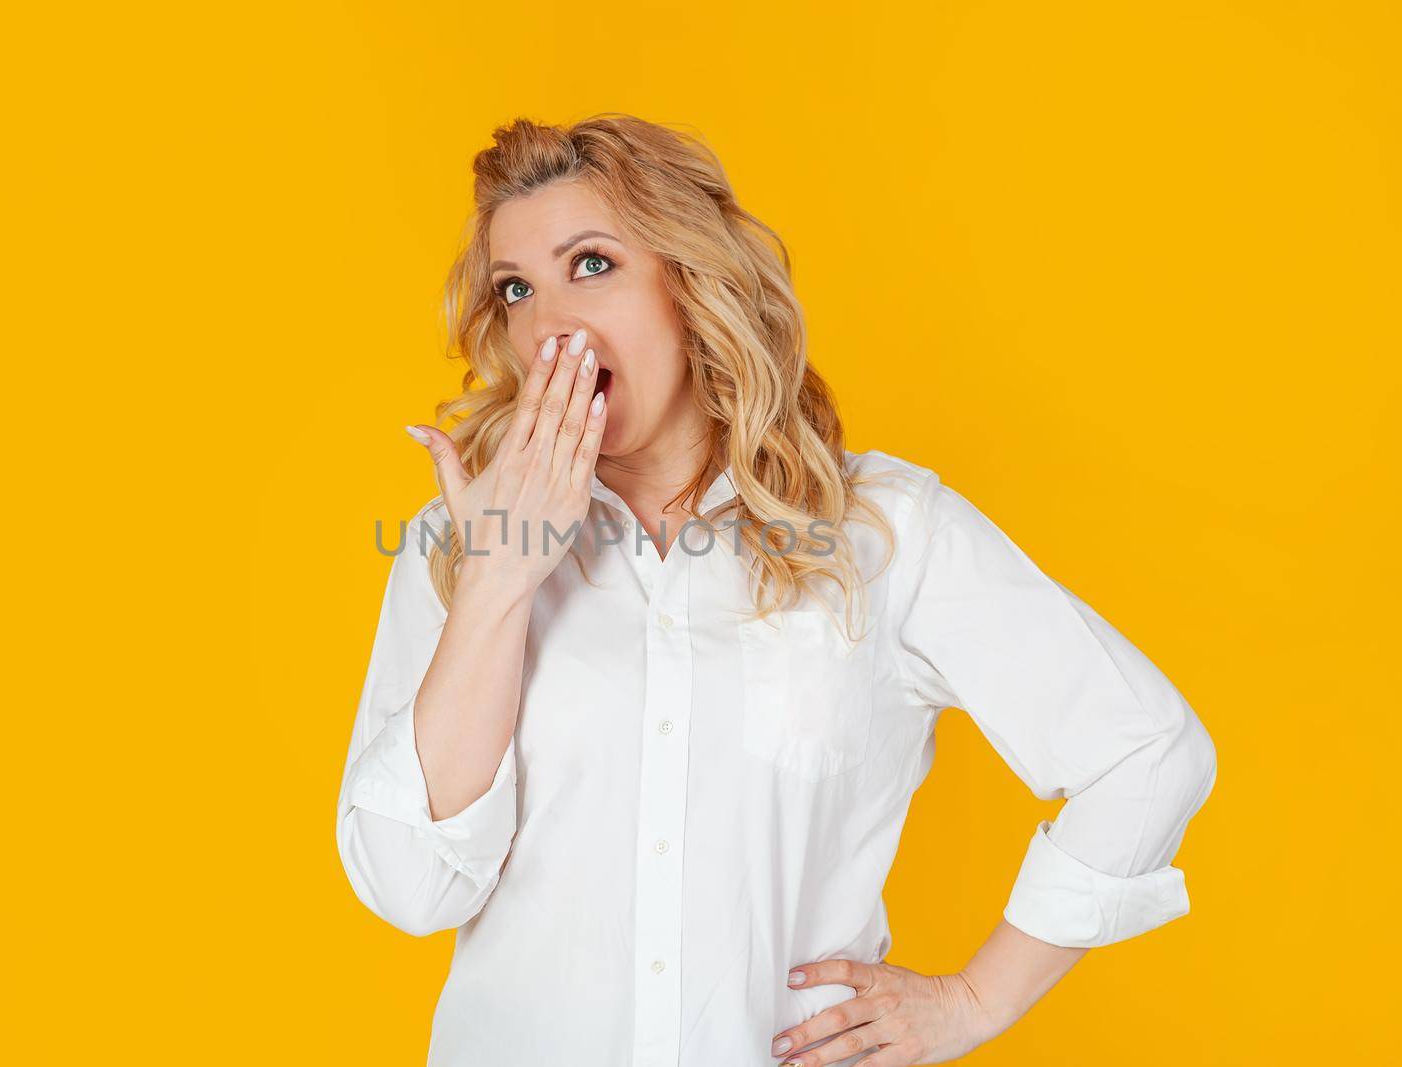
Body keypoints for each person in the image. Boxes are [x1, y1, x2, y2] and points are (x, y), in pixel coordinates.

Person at [335, 113, 1218, 1067]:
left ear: (690, 282)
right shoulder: (463, 539)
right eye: (517, 289)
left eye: (591, 264)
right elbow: (410, 886)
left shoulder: (885, 531)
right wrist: (498, 585)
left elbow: (1146, 753)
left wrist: (971, 1002)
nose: (551, 326)